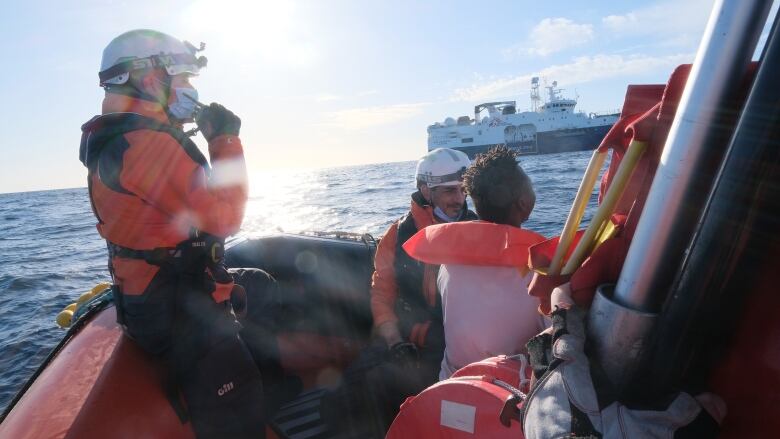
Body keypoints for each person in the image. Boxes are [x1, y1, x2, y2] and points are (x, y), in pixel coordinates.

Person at [78, 29, 283, 438]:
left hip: (152, 298)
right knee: (239, 404)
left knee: (259, 285)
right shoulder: (147, 145)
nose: (190, 89)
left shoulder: (118, 138)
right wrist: (225, 140)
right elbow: (226, 218)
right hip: (180, 310)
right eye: (184, 78)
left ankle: (273, 381)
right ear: (151, 79)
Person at [402, 145, 547, 379]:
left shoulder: (448, 263)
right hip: (509, 395)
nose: (458, 198)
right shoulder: (540, 272)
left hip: (452, 384)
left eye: (462, 191)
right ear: (523, 203)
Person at [370, 147, 478, 383]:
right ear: (425, 191)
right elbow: (382, 293)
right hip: (413, 341)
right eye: (450, 191)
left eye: (464, 190)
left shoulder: (479, 229)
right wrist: (396, 343)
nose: (459, 199)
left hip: (466, 342)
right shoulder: (398, 235)